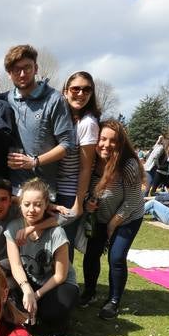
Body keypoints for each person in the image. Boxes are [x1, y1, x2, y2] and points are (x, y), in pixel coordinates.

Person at [81, 119, 144, 319]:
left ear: (120, 143)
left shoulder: (128, 164)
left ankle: (114, 301)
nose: (106, 144)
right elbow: (86, 190)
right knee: (91, 255)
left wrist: (112, 225)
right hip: (100, 217)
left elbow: (133, 200)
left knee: (116, 257)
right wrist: (87, 203)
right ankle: (89, 293)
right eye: (102, 139)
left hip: (128, 217)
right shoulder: (90, 161)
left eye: (113, 140)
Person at [5, 178, 79, 336]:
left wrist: (36, 295)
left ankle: (59, 323)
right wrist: (27, 289)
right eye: (27, 204)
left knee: (51, 312)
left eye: (38, 204)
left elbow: (60, 276)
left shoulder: (57, 232)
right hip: (30, 280)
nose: (32, 209)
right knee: (13, 304)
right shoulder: (13, 228)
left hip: (57, 284)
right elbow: (16, 265)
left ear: (46, 205)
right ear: (20, 204)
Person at [3, 44, 74, 196]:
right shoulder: (6, 99)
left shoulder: (54, 100)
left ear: (36, 68)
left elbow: (67, 144)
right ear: (9, 73)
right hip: (14, 191)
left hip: (43, 191)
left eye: (27, 68)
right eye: (16, 70)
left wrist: (35, 162)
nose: (22, 74)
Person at [54, 72, 100, 252]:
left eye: (87, 90)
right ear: (65, 91)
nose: (81, 94)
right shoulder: (61, 118)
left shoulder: (87, 123)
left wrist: (78, 203)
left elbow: (86, 167)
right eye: (76, 89)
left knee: (63, 248)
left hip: (69, 193)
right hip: (53, 190)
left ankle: (66, 281)